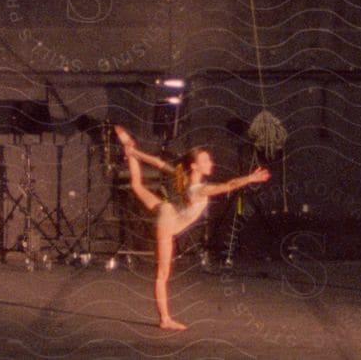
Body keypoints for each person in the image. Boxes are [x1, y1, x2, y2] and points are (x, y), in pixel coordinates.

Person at [113, 125, 271, 330]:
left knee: (137, 186)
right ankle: (165, 319)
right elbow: (229, 185)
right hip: (167, 223)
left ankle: (129, 150)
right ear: (195, 166)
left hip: (165, 211)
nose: (210, 163)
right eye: (205, 161)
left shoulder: (184, 178)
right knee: (162, 275)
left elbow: (158, 163)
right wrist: (250, 178)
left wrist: (134, 152)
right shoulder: (199, 190)